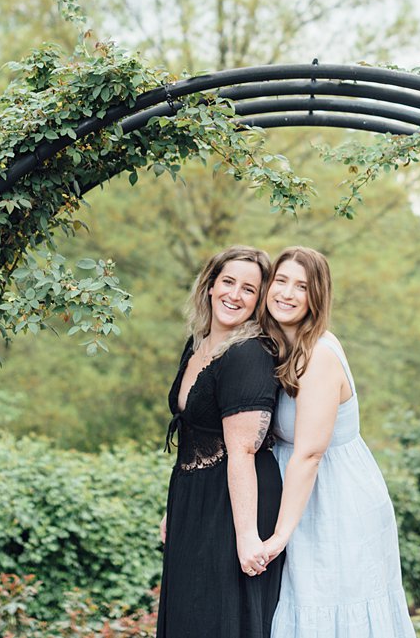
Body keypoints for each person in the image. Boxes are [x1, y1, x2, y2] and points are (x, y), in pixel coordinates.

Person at [257, 245, 416, 638]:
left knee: (326, 607)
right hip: (301, 492)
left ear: (317, 297)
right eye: (281, 281)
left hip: (331, 499)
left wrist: (279, 536)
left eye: (302, 287)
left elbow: (309, 454)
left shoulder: (318, 355)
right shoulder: (279, 346)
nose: (287, 294)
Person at [157, 245, 284, 638]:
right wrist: (174, 508)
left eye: (249, 289)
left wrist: (247, 537)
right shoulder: (198, 344)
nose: (235, 294)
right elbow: (197, 435)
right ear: (210, 286)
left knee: (218, 619)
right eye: (228, 282)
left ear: (259, 301)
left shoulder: (250, 354)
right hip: (193, 496)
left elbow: (243, 451)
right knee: (188, 613)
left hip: (234, 504)